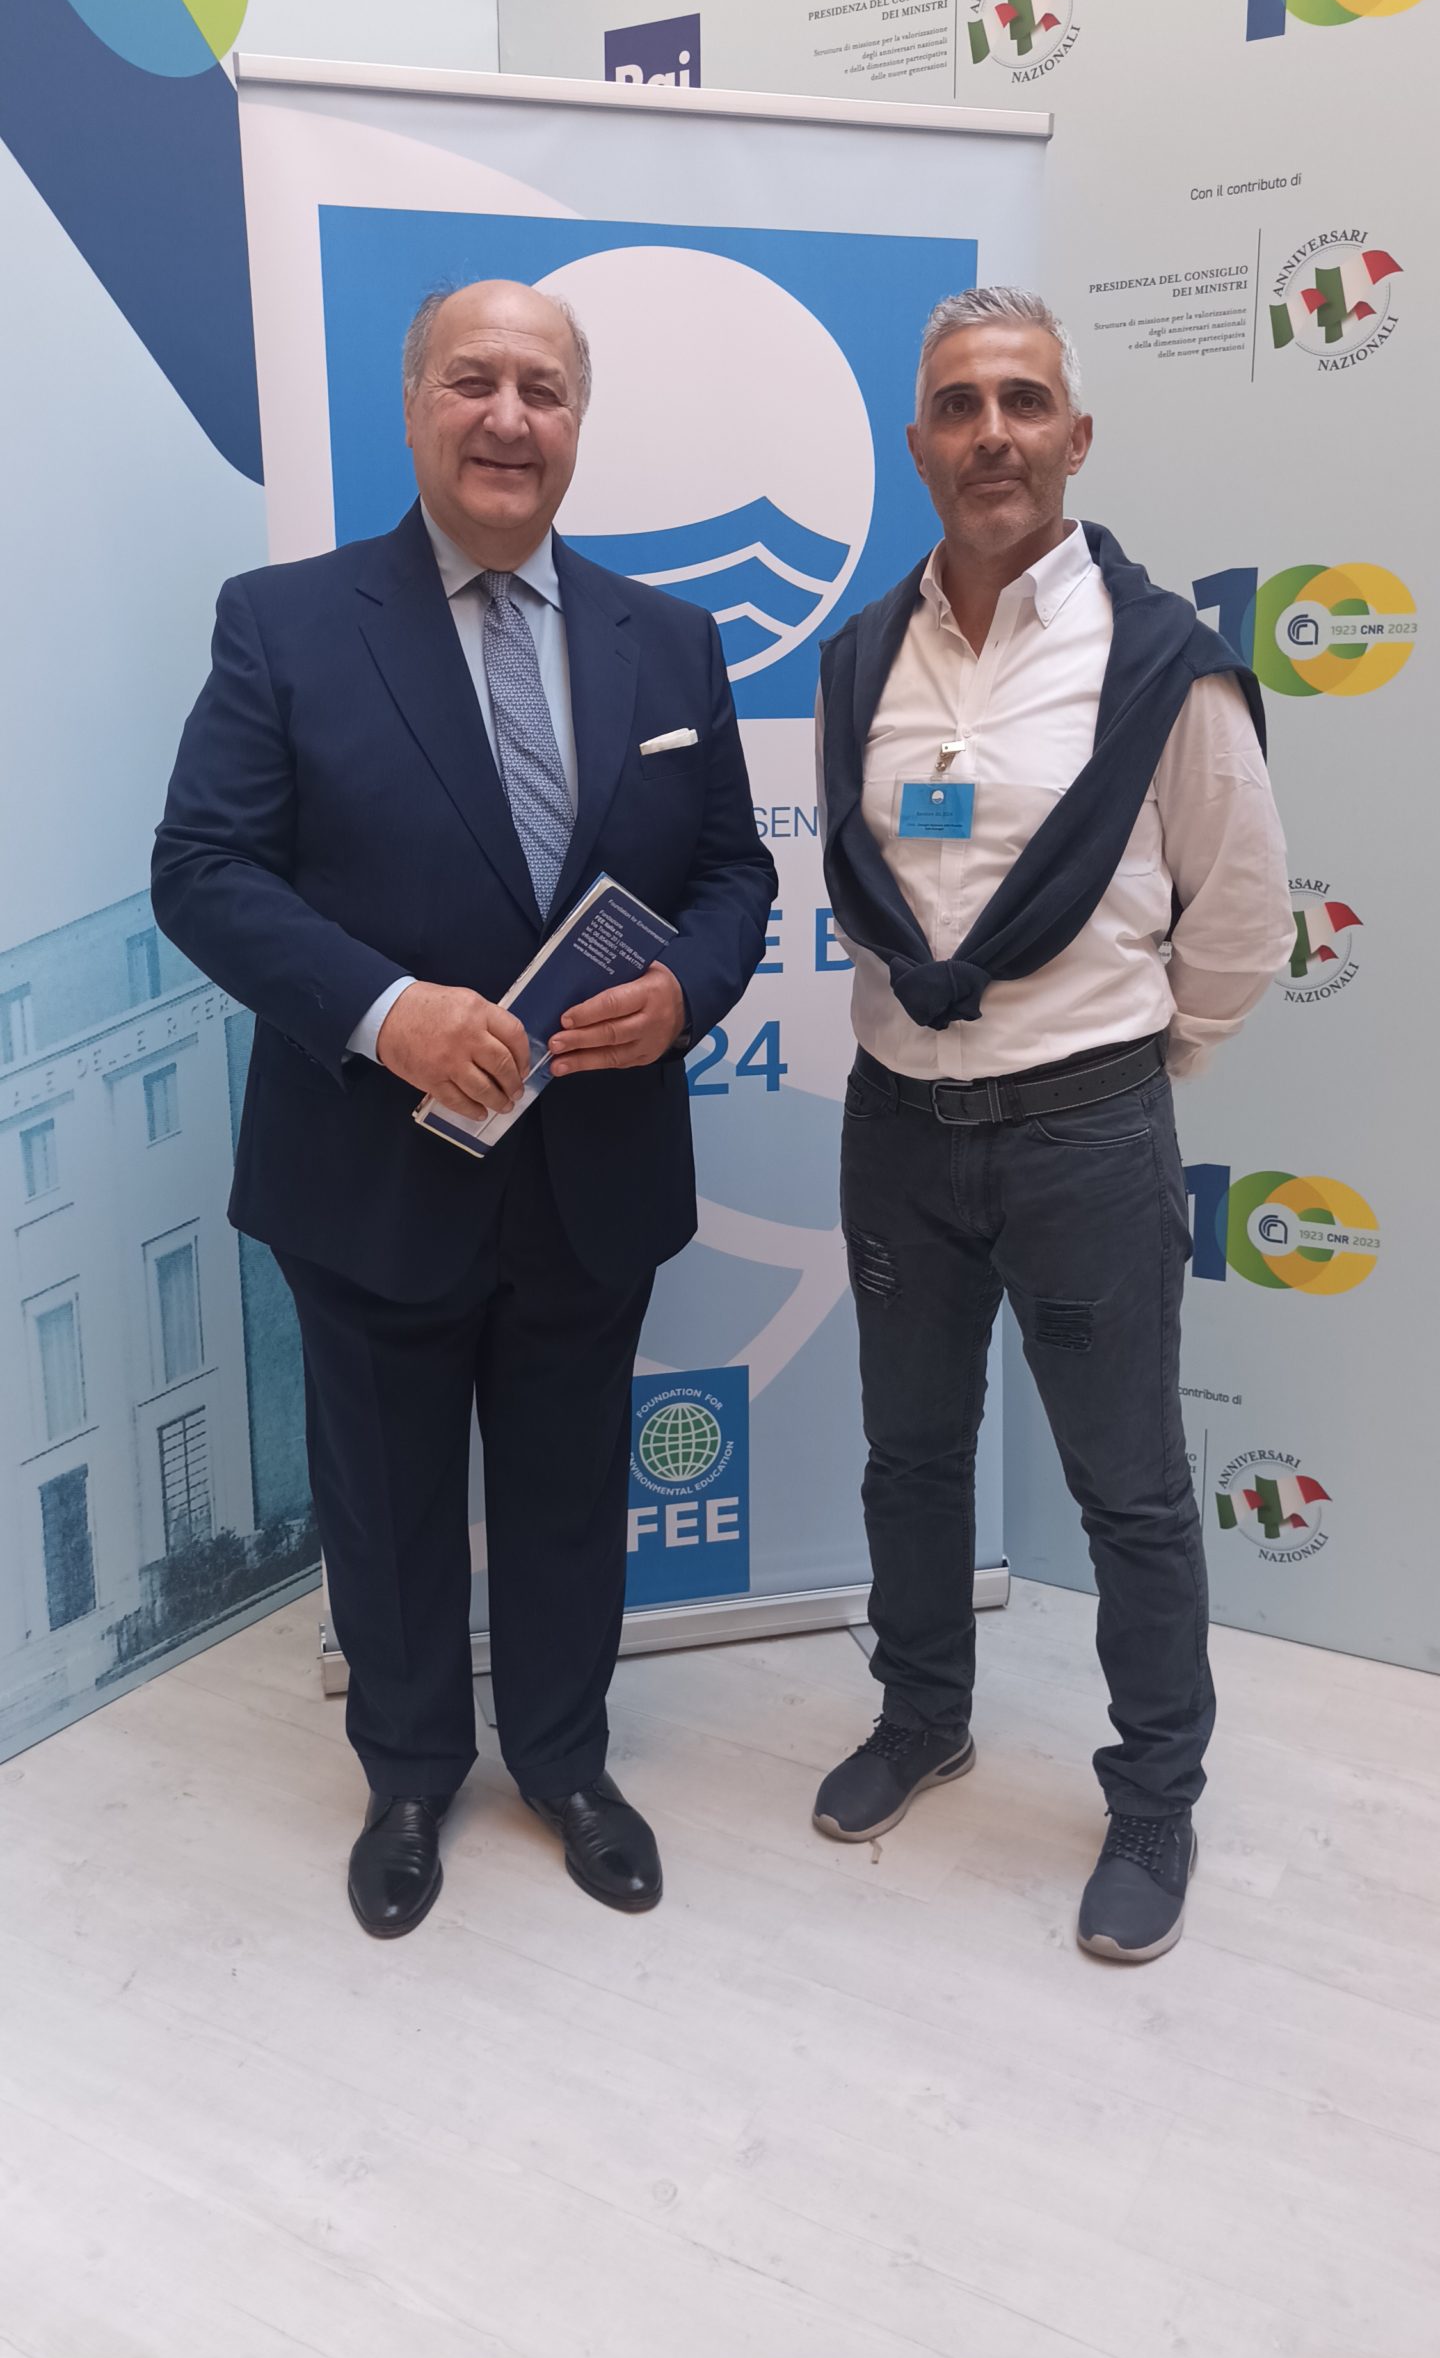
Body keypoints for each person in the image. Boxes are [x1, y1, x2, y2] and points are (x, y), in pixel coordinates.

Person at [153, 280, 776, 1937]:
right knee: (387, 1499)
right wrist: (390, 1015)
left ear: (579, 421)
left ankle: (567, 1764)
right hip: (371, 1169)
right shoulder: (284, 623)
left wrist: (687, 990)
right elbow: (202, 869)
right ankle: (412, 1775)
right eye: (473, 380)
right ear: (415, 404)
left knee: (572, 1492)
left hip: (594, 1169)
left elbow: (734, 872)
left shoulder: (670, 640)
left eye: (544, 388)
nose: (510, 416)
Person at [813, 286, 1292, 1962]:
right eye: (959, 404)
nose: (992, 433)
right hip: (899, 1129)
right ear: (920, 444)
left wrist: (1126, 1073)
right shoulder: (861, 656)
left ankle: (1155, 1795)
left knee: (1130, 1492)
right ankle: (923, 1713)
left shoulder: (1160, 659)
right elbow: (866, 883)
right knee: (908, 1455)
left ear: (1076, 437)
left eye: (1023, 401)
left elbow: (1240, 917)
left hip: (1085, 1134)